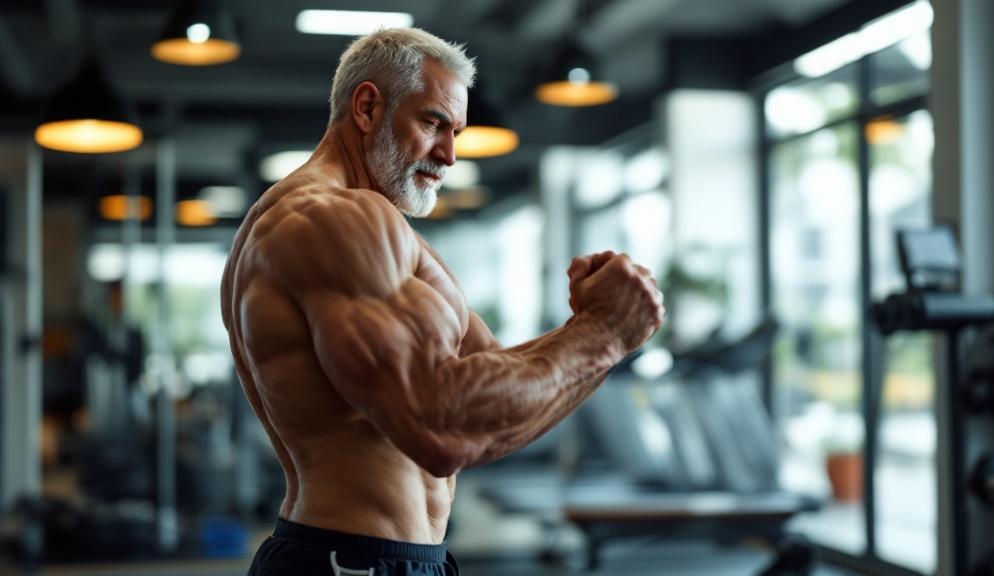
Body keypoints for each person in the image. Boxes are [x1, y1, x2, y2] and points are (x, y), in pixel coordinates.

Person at [221, 27, 664, 576]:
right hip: (352, 561)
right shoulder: (331, 219)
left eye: (456, 131)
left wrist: (598, 328)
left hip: (381, 555)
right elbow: (439, 428)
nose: (450, 154)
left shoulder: (379, 231)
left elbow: (491, 394)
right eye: (432, 122)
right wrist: (603, 333)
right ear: (367, 107)